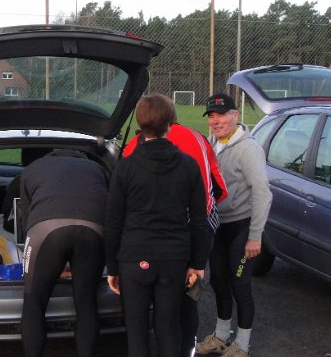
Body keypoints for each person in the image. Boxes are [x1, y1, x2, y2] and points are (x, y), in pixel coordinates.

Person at [105, 93, 212, 357]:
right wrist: (197, 264)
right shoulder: (188, 165)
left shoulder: (125, 167)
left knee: (136, 332)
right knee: (168, 328)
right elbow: (200, 221)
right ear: (170, 123)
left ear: (141, 123)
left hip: (134, 257)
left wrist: (112, 267)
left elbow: (113, 222)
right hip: (174, 258)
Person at [123, 106, 228, 357]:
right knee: (188, 300)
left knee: (147, 315)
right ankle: (187, 349)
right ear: (171, 119)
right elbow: (218, 187)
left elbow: (124, 200)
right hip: (196, 228)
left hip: (149, 240)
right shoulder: (198, 138)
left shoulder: (134, 146)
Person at [195, 93, 272, 357]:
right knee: (218, 281)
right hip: (219, 226)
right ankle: (221, 336)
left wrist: (255, 236)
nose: (215, 121)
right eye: (211, 116)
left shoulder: (249, 149)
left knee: (240, 284)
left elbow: (263, 193)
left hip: (242, 227)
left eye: (221, 115)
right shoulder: (211, 143)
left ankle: (242, 345)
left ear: (235, 116)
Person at [18, 149, 109, 357]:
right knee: (87, 303)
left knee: (34, 302)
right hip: (94, 230)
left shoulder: (33, 168)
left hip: (46, 231)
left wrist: (50, 262)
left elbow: (27, 216)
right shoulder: (97, 168)